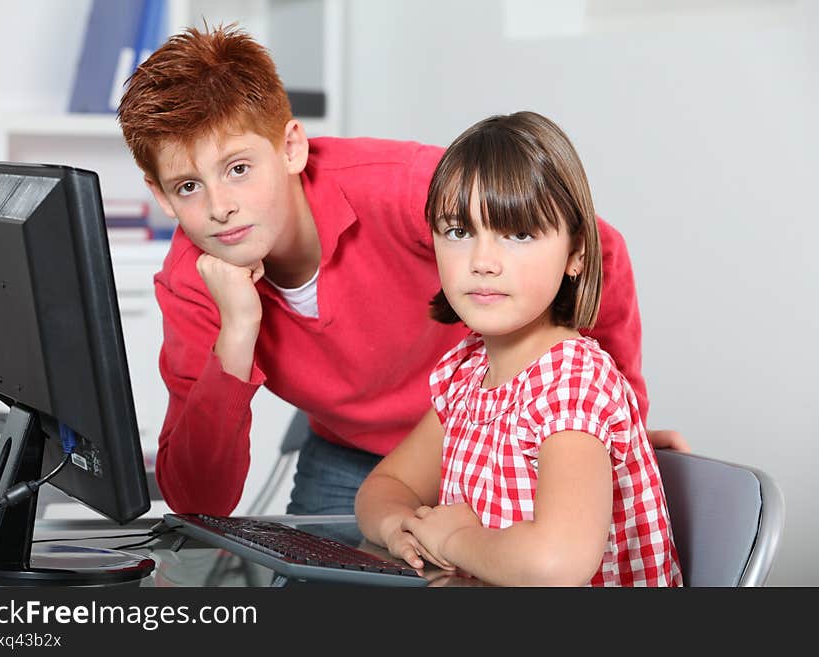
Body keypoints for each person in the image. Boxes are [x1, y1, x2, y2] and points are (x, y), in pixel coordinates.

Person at [116, 24, 687, 518]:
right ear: (161, 197)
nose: (219, 206)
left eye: (239, 168)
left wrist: (619, 426)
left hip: (491, 434)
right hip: (350, 458)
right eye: (188, 186)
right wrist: (236, 333)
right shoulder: (193, 280)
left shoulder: (402, 184)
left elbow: (595, 245)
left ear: (291, 147)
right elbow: (198, 499)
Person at [354, 111, 682, 586]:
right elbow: (385, 488)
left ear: (576, 255)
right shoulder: (466, 375)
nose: (483, 261)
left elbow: (557, 565)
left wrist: (452, 541)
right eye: (459, 232)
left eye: (519, 234)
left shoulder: (572, 383)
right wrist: (397, 525)